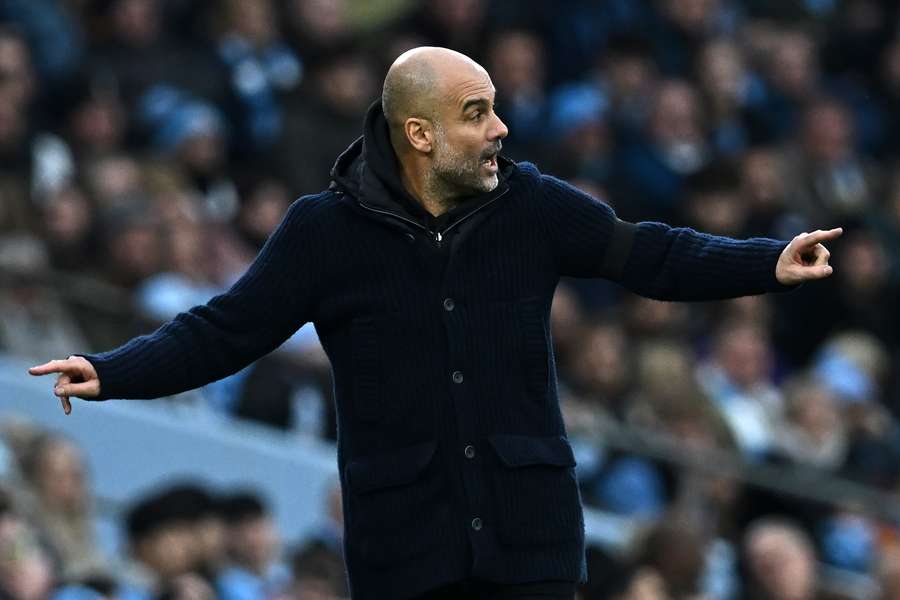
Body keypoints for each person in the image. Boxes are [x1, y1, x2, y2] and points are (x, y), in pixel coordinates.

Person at [29, 47, 841, 600]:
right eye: (477, 113)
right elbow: (225, 328)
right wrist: (116, 370)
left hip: (533, 549)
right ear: (420, 134)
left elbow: (650, 256)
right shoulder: (324, 232)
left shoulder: (534, 207)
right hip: (404, 558)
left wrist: (764, 261)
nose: (501, 130)